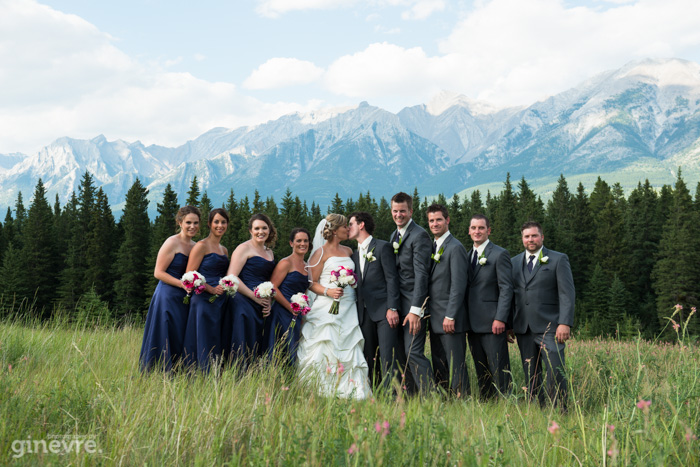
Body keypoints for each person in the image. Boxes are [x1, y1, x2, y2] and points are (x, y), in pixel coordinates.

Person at [297, 214, 371, 399]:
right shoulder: (320, 253)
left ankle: (352, 389)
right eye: (345, 226)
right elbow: (311, 282)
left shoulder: (348, 251)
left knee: (349, 346)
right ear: (335, 231)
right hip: (327, 306)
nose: (348, 229)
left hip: (348, 306)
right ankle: (320, 390)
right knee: (325, 344)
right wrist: (328, 291)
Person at [511, 221, 575, 410]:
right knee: (531, 373)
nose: (530, 239)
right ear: (522, 239)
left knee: (555, 371)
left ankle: (561, 410)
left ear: (542, 237)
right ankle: (536, 411)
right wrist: (509, 324)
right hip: (523, 327)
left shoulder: (558, 259)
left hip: (551, 326)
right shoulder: (514, 262)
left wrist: (565, 322)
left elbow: (567, 293)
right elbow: (510, 294)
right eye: (527, 236)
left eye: (534, 236)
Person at [140, 205, 201, 372]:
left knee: (179, 334)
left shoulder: (196, 246)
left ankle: (178, 371)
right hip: (167, 296)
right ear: (179, 222)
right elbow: (158, 272)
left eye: (196, 223)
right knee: (165, 332)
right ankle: (158, 371)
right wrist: (182, 284)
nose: (192, 226)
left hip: (186, 298)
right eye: (188, 222)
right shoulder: (172, 242)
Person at [348, 211, 403, 391]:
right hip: (363, 315)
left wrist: (392, 307)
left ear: (361, 225)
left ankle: (393, 397)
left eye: (351, 224)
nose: (348, 228)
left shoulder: (382, 247)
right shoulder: (354, 255)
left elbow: (392, 279)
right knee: (368, 357)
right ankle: (374, 394)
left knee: (388, 356)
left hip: (384, 312)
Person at [389, 192, 434, 394]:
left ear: (410, 211)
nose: (399, 215)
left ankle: (430, 396)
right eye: (395, 211)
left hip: (414, 306)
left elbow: (421, 275)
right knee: (402, 354)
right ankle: (411, 397)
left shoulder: (420, 235)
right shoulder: (394, 235)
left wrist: (417, 310)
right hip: (399, 306)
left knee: (413, 352)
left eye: (402, 211)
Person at [466, 214, 514, 400]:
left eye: (481, 228)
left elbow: (506, 289)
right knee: (481, 369)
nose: (477, 231)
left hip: (493, 323)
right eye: (474, 228)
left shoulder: (499, 254)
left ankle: (506, 404)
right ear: (469, 231)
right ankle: (487, 404)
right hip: (472, 323)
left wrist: (501, 318)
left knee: (499, 369)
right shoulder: (467, 254)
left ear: (489, 230)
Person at [425, 204, 470, 397]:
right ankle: (445, 400)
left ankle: (463, 401)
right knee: (440, 363)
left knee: (456, 365)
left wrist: (450, 315)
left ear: (447, 220)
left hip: (450, 320)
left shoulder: (455, 247)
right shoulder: (433, 246)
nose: (435, 224)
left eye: (439, 220)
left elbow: (458, 286)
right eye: (431, 221)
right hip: (434, 318)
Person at [182, 208, 230, 372]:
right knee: (203, 338)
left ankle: (216, 375)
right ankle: (200, 374)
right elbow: (189, 275)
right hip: (202, 299)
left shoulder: (224, 250)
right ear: (209, 224)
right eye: (216, 222)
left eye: (223, 222)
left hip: (220, 301)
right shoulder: (201, 246)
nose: (220, 225)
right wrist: (210, 289)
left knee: (216, 338)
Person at [226, 213, 277, 367]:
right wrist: (254, 297)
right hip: (242, 299)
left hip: (261, 301)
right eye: (256, 228)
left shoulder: (269, 252)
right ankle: (238, 372)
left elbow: (268, 280)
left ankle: (254, 372)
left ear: (269, 230)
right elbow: (232, 277)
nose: (260, 231)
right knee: (243, 336)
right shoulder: (243, 248)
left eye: (264, 228)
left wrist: (268, 300)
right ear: (250, 230)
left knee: (258, 338)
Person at [266, 228, 311, 367]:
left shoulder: (307, 266)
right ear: (291, 243)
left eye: (305, 241)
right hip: (281, 312)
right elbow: (273, 287)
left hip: (296, 314)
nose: (302, 244)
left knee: (292, 348)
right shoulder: (286, 263)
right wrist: (289, 307)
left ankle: (288, 383)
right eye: (299, 241)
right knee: (280, 349)